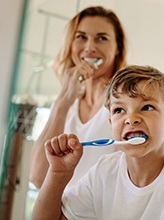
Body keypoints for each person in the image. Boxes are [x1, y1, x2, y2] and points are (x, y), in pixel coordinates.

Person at [32, 65, 164, 220]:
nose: (131, 119)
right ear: (111, 124)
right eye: (119, 110)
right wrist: (58, 174)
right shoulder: (104, 171)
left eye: (146, 107)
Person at [29, 6, 127, 188]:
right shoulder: (66, 104)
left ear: (117, 49)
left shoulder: (124, 103)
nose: (89, 48)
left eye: (101, 38)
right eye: (81, 37)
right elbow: (37, 177)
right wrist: (63, 102)